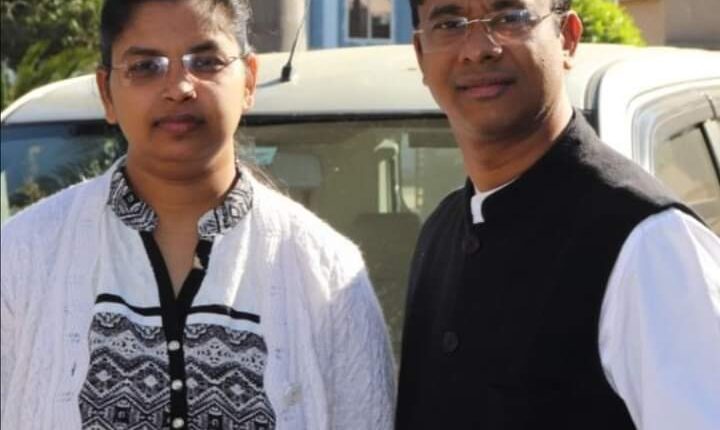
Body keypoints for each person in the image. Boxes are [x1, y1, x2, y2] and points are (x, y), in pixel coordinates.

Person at [0, 1, 395, 429]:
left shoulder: (327, 273)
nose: (179, 87)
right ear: (107, 93)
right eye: (145, 66)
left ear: (249, 80)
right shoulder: (22, 256)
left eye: (205, 62)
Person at [396, 0, 720, 429]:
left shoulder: (645, 240)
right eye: (450, 23)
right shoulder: (441, 233)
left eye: (510, 18)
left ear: (567, 38)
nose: (478, 49)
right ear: (421, 54)